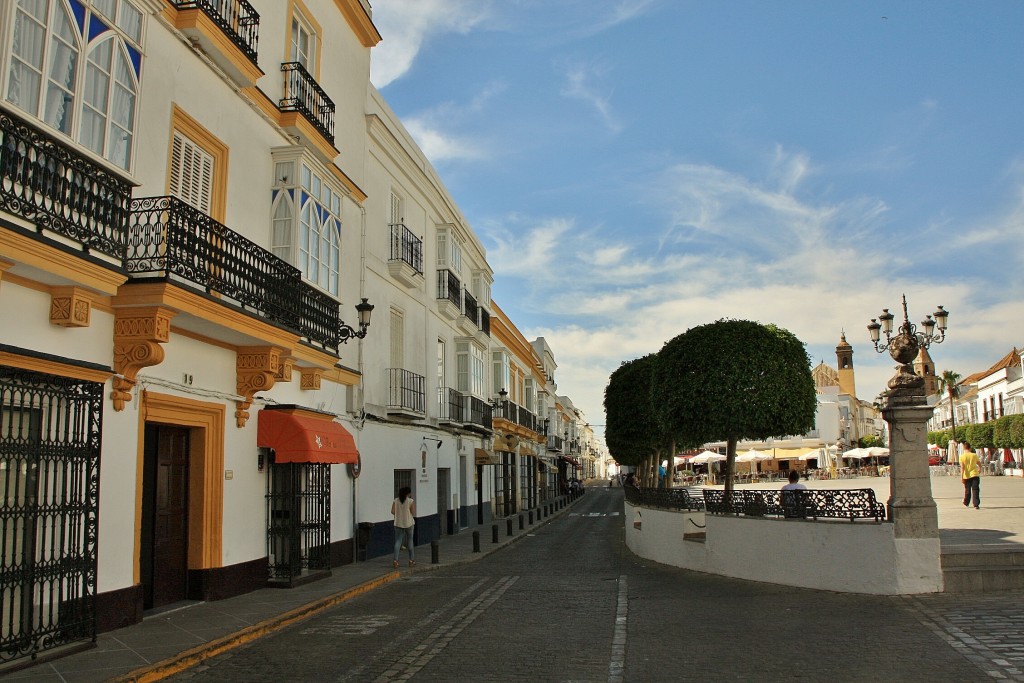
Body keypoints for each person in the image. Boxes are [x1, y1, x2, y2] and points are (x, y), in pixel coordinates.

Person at [391, 486, 416, 568]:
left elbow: (392, 511)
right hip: (409, 523)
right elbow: (413, 512)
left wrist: (399, 514)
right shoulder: (410, 501)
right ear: (408, 493)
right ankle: (411, 560)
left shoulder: (396, 500)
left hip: (398, 523)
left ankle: (395, 561)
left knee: (398, 541)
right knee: (410, 540)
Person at [960, 443, 981, 509]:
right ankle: (976, 504)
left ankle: (966, 502)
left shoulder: (962, 456)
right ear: (970, 448)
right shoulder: (974, 455)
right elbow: (979, 463)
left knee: (967, 490)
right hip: (975, 474)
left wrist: (962, 477)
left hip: (966, 475)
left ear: (964, 448)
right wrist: (980, 468)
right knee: (975, 489)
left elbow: (962, 467)